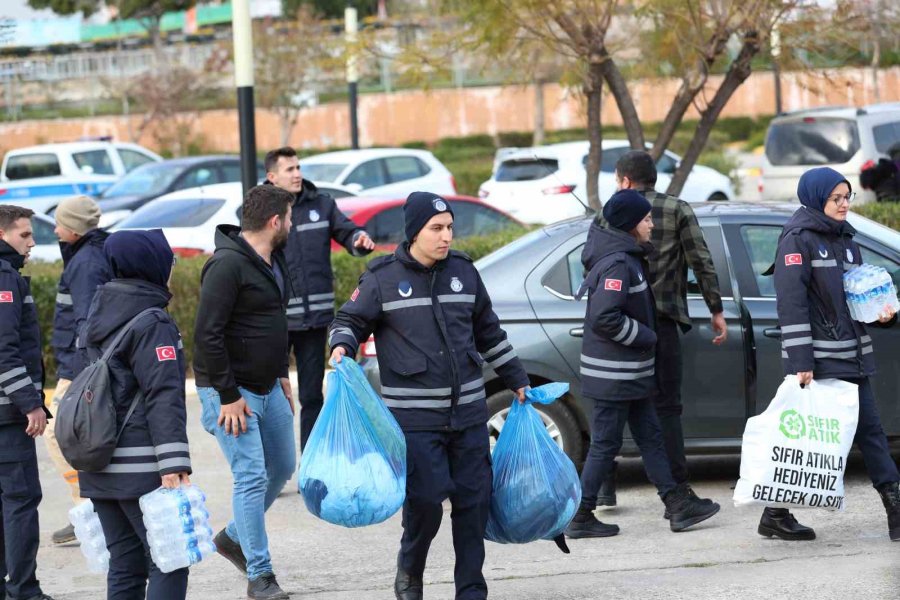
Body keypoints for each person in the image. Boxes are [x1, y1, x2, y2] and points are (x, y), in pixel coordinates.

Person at [329, 192, 530, 600]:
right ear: (414, 233)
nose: (446, 237)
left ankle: (471, 589)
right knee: (424, 505)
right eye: (436, 229)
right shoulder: (382, 278)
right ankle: (410, 573)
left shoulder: (464, 273)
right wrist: (341, 346)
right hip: (416, 422)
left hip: (469, 415)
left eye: (450, 228)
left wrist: (517, 378)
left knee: (473, 505)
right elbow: (349, 320)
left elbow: (489, 332)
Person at [564, 190, 720, 539]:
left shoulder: (626, 256)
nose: (652, 224)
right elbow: (605, 317)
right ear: (631, 224)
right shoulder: (619, 263)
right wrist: (647, 335)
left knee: (650, 437)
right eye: (647, 219)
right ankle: (581, 515)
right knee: (605, 444)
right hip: (614, 377)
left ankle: (677, 505)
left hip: (628, 376)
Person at [768, 167, 899, 542]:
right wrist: (801, 362)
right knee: (816, 442)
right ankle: (775, 512)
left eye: (847, 197)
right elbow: (791, 303)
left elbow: (856, 299)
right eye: (836, 199)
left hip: (853, 354)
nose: (844, 205)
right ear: (816, 199)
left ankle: (895, 512)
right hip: (822, 361)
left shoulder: (846, 238)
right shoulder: (798, 240)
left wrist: (882, 314)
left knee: (870, 432)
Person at [596, 150, 726, 510]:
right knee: (667, 407)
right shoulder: (678, 209)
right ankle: (678, 490)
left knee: (619, 403)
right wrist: (716, 308)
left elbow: (591, 264)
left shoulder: (611, 212)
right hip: (663, 322)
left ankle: (605, 485)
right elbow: (701, 259)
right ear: (654, 178)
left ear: (624, 180)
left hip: (619, 324)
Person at [76, 229, 192, 599]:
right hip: (142, 464)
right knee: (169, 560)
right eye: (168, 260)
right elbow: (163, 393)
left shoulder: (98, 310)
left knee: (125, 563)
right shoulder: (151, 321)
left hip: (98, 460)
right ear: (151, 263)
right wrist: (173, 460)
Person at [193, 185, 296, 600]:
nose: (292, 224)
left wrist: (282, 373)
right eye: (289, 218)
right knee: (251, 478)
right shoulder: (226, 266)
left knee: (283, 466)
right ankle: (261, 575)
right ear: (275, 221)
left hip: (269, 385)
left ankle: (234, 537)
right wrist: (228, 394)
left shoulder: (272, 259)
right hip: (231, 394)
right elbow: (207, 336)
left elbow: (271, 323)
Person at [265, 146, 374, 451]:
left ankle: (310, 462)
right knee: (270, 395)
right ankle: (273, 465)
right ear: (272, 177)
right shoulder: (262, 210)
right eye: (290, 169)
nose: (298, 174)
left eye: (298, 167)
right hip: (275, 321)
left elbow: (348, 232)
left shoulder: (321, 205)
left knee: (312, 396)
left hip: (315, 322)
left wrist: (359, 242)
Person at [46, 195, 111, 545]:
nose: (55, 229)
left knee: (57, 432)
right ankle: (92, 505)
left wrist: (85, 375)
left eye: (59, 224)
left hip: (79, 367)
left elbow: (87, 322)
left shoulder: (85, 262)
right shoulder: (89, 253)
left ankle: (90, 507)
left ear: (72, 229)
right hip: (78, 365)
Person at [0, 205, 54, 600]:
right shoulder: (5, 279)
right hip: (6, 413)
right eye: (23, 235)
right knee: (20, 501)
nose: (32, 241)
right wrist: (30, 403)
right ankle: (24, 590)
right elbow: (4, 350)